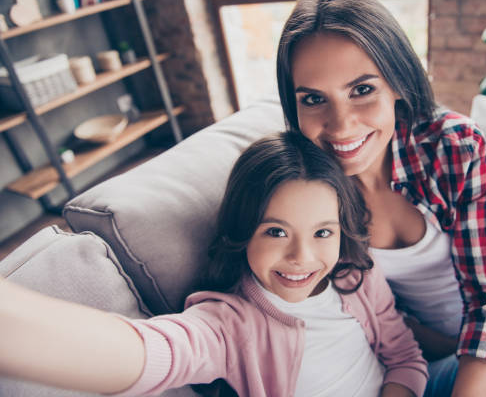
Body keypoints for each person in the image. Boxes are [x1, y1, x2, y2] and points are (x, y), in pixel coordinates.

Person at [276, 0, 486, 396]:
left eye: (362, 90)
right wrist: (462, 353)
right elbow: (384, 322)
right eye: (313, 99)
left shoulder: (453, 146)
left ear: (397, 83)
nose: (341, 125)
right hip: (440, 345)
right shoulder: (300, 192)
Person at [0, 132, 429, 397]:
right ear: (243, 231)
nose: (302, 257)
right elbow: (152, 352)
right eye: (276, 231)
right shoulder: (229, 324)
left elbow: (404, 355)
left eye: (322, 233)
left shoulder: (355, 275)